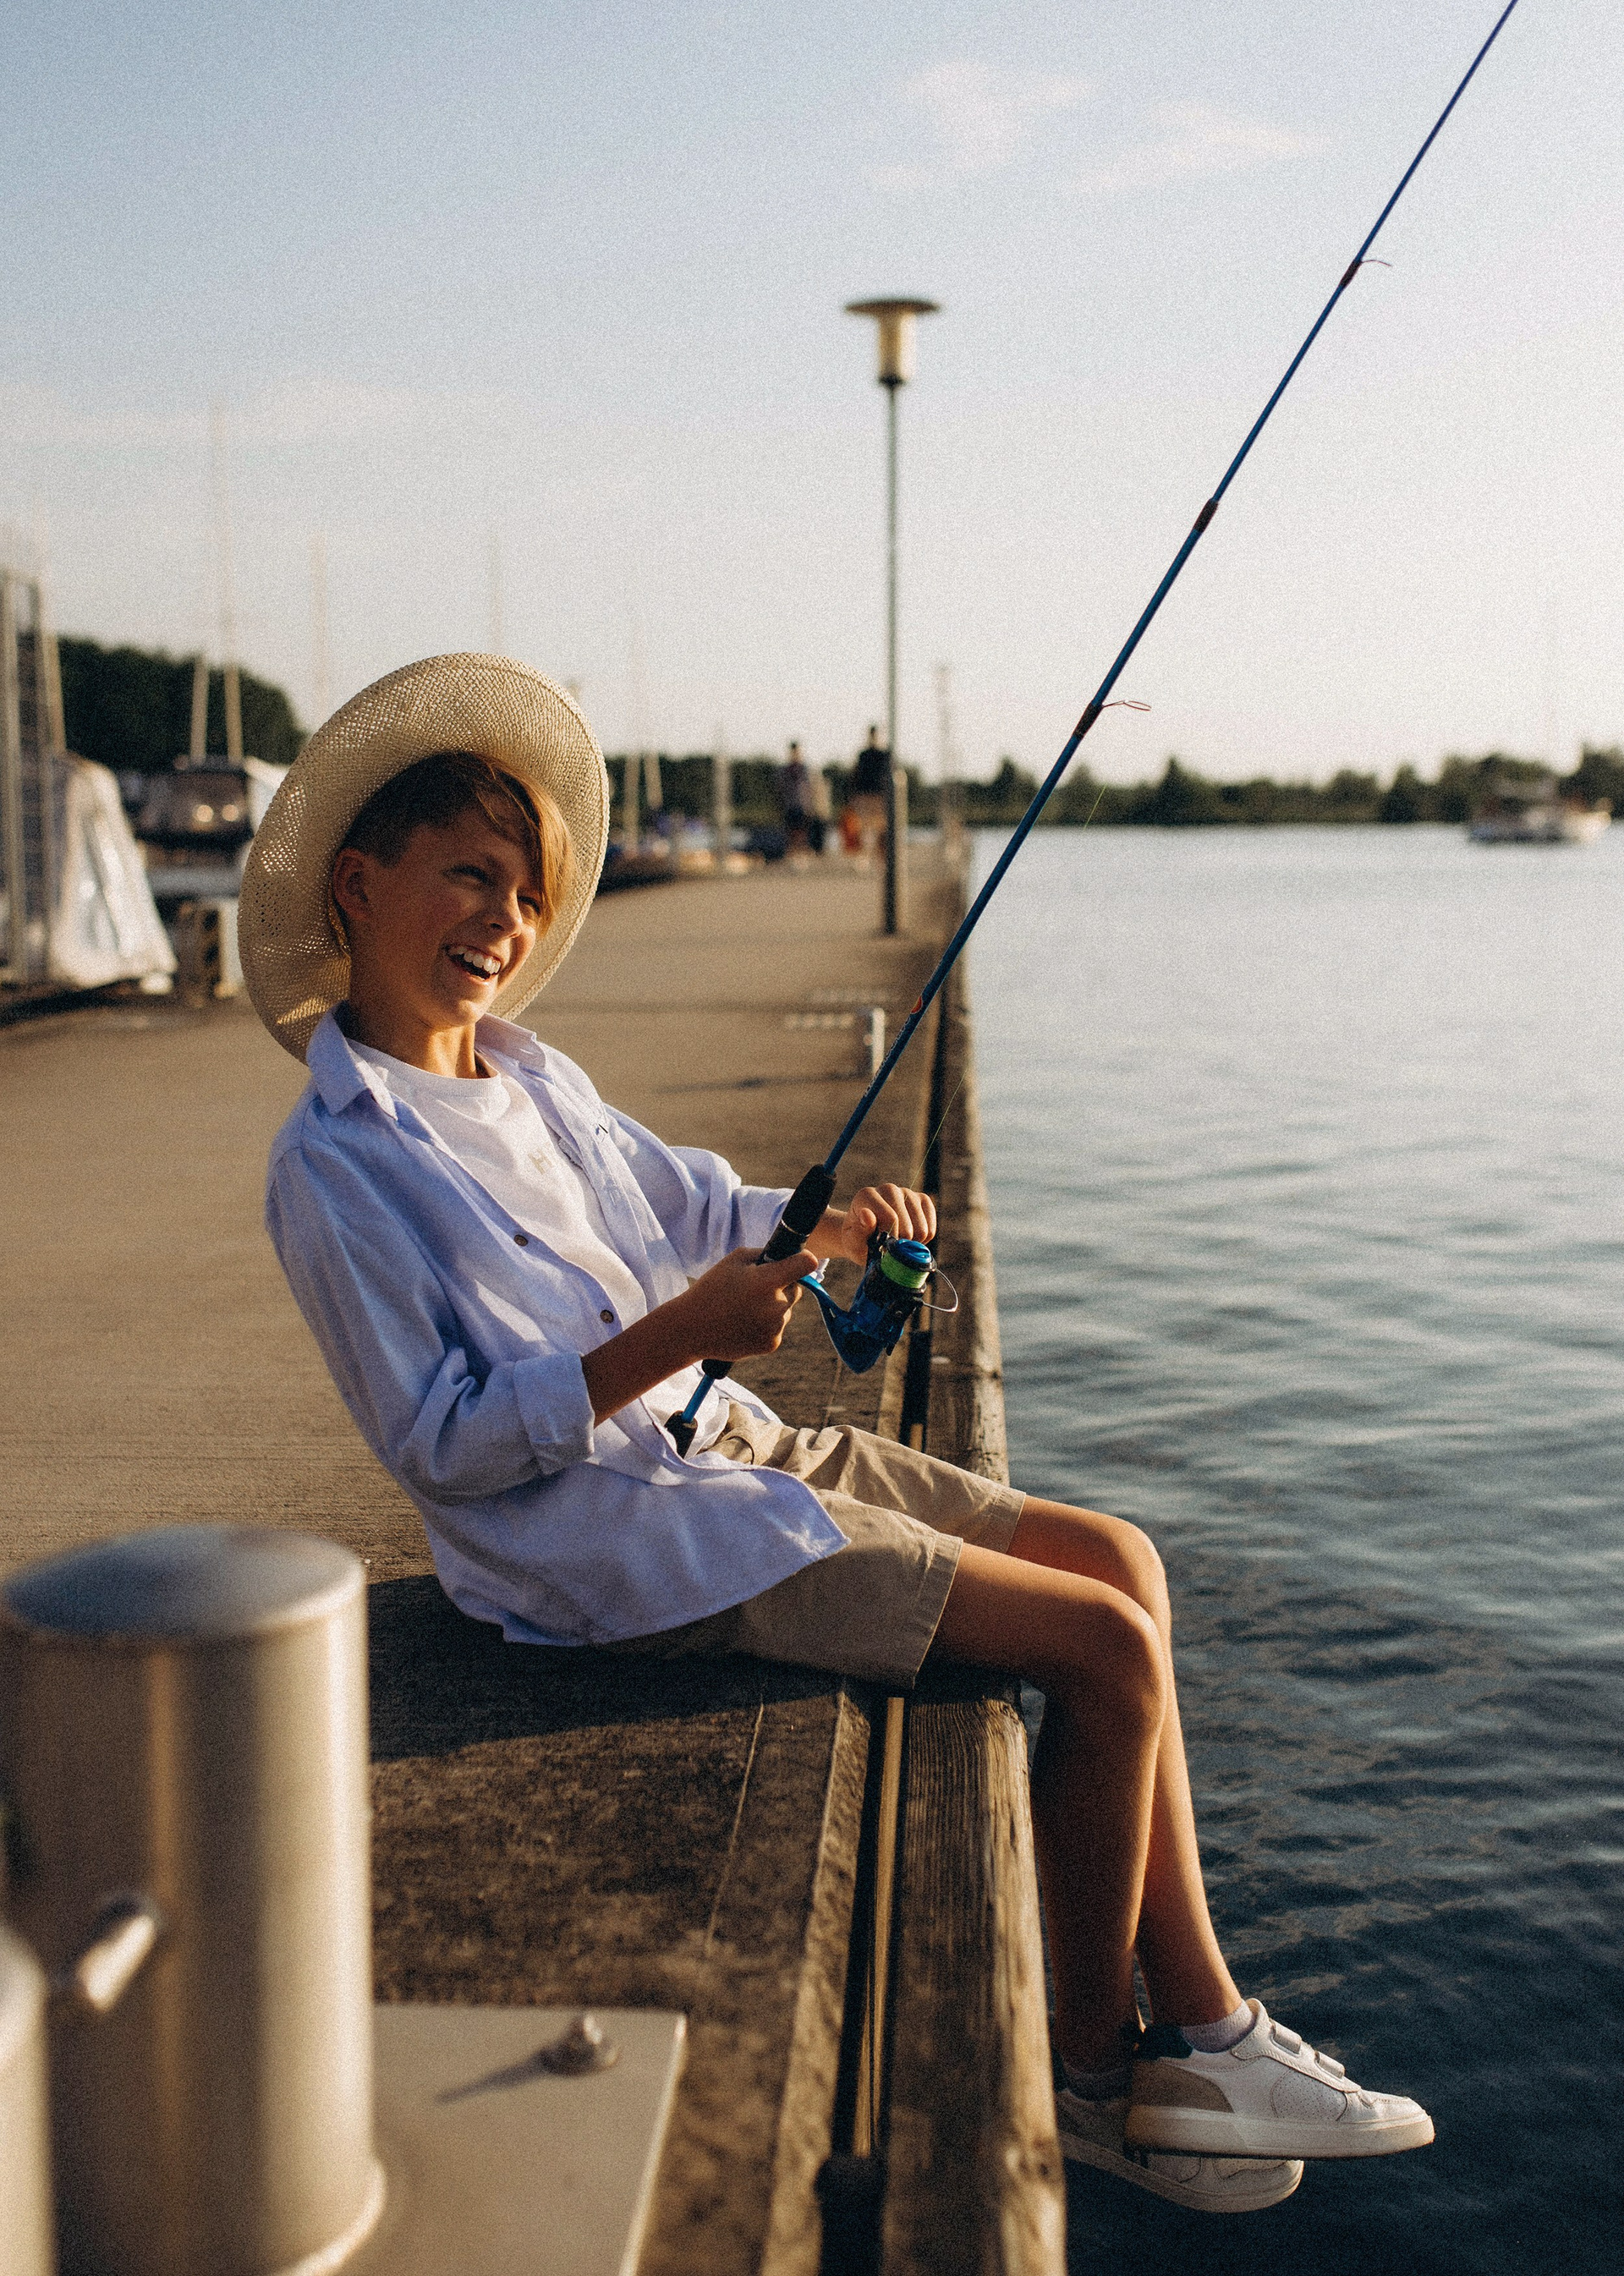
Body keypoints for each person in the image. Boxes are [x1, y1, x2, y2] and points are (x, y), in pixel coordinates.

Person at [241, 653, 1434, 2217]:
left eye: (526, 896)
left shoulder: (532, 1077)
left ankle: (1202, 2038)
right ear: (357, 882)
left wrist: (837, 1229)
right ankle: (1106, 2075)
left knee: (1123, 1564)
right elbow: (441, 1447)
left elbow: (698, 1206)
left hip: (724, 1444)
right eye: (470, 876)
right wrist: (676, 1334)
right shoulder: (334, 1165)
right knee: (1104, 1654)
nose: (505, 922)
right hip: (614, 1543)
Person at [849, 724, 888, 864]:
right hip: (864, 795)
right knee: (864, 827)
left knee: (880, 828)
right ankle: (864, 855)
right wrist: (853, 796)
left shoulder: (884, 755)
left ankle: (879, 856)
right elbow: (856, 775)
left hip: (879, 796)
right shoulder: (863, 755)